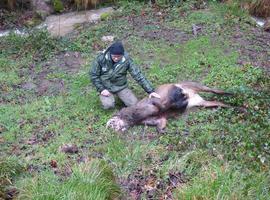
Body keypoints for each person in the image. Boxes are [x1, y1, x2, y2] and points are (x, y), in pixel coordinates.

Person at [90, 41, 160, 109]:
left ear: (122, 54)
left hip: (120, 86)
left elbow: (138, 75)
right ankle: (108, 98)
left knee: (134, 104)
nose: (116, 58)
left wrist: (150, 91)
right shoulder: (101, 59)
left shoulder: (127, 60)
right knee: (108, 105)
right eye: (114, 56)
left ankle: (121, 96)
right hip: (106, 87)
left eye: (119, 56)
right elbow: (94, 75)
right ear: (110, 53)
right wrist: (101, 89)